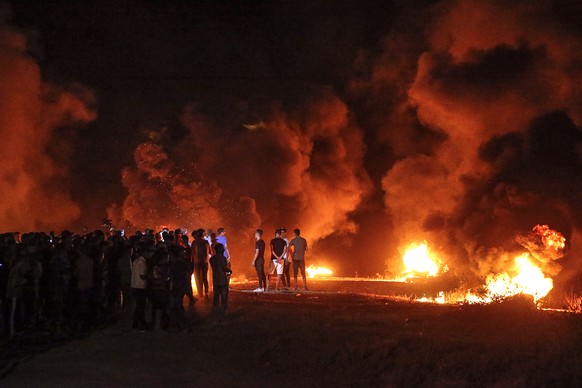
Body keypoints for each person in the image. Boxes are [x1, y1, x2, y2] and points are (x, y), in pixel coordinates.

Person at [131, 244, 152, 332]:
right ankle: (140, 325)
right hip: (140, 286)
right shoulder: (142, 263)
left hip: (134, 285)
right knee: (141, 307)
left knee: (139, 306)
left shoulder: (136, 261)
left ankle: (137, 323)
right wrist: (150, 277)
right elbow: (142, 276)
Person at [209, 243, 230, 312]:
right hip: (222, 279)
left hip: (215, 279)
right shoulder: (223, 258)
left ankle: (215, 309)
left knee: (216, 295)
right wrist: (229, 270)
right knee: (224, 295)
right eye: (222, 248)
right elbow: (224, 268)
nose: (224, 249)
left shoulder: (212, 259)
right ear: (219, 249)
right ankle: (223, 309)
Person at [192, 229, 211, 299]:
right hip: (205, 262)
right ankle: (206, 293)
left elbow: (192, 252)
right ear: (203, 234)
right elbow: (210, 252)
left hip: (197, 262)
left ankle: (200, 293)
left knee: (198, 278)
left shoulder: (194, 242)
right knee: (204, 278)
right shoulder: (206, 242)